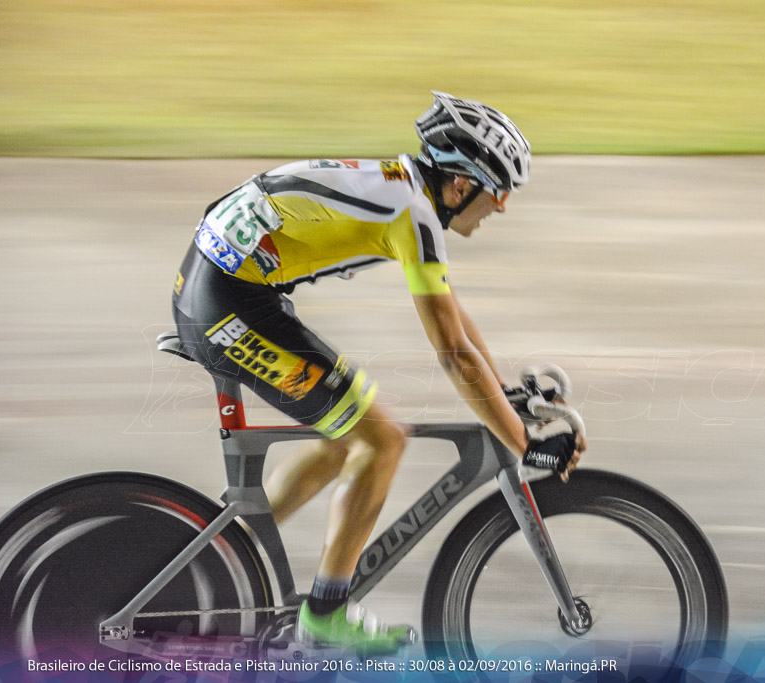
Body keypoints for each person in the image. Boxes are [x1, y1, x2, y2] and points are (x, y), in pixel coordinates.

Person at [170, 92, 585, 653]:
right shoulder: (411, 214)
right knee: (382, 440)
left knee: (347, 438)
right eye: (498, 191)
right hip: (228, 304)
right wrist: (524, 445)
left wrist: (504, 394)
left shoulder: (407, 192)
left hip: (228, 289)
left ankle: (224, 552)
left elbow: (454, 323)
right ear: (461, 185)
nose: (503, 206)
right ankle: (325, 617)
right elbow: (454, 355)